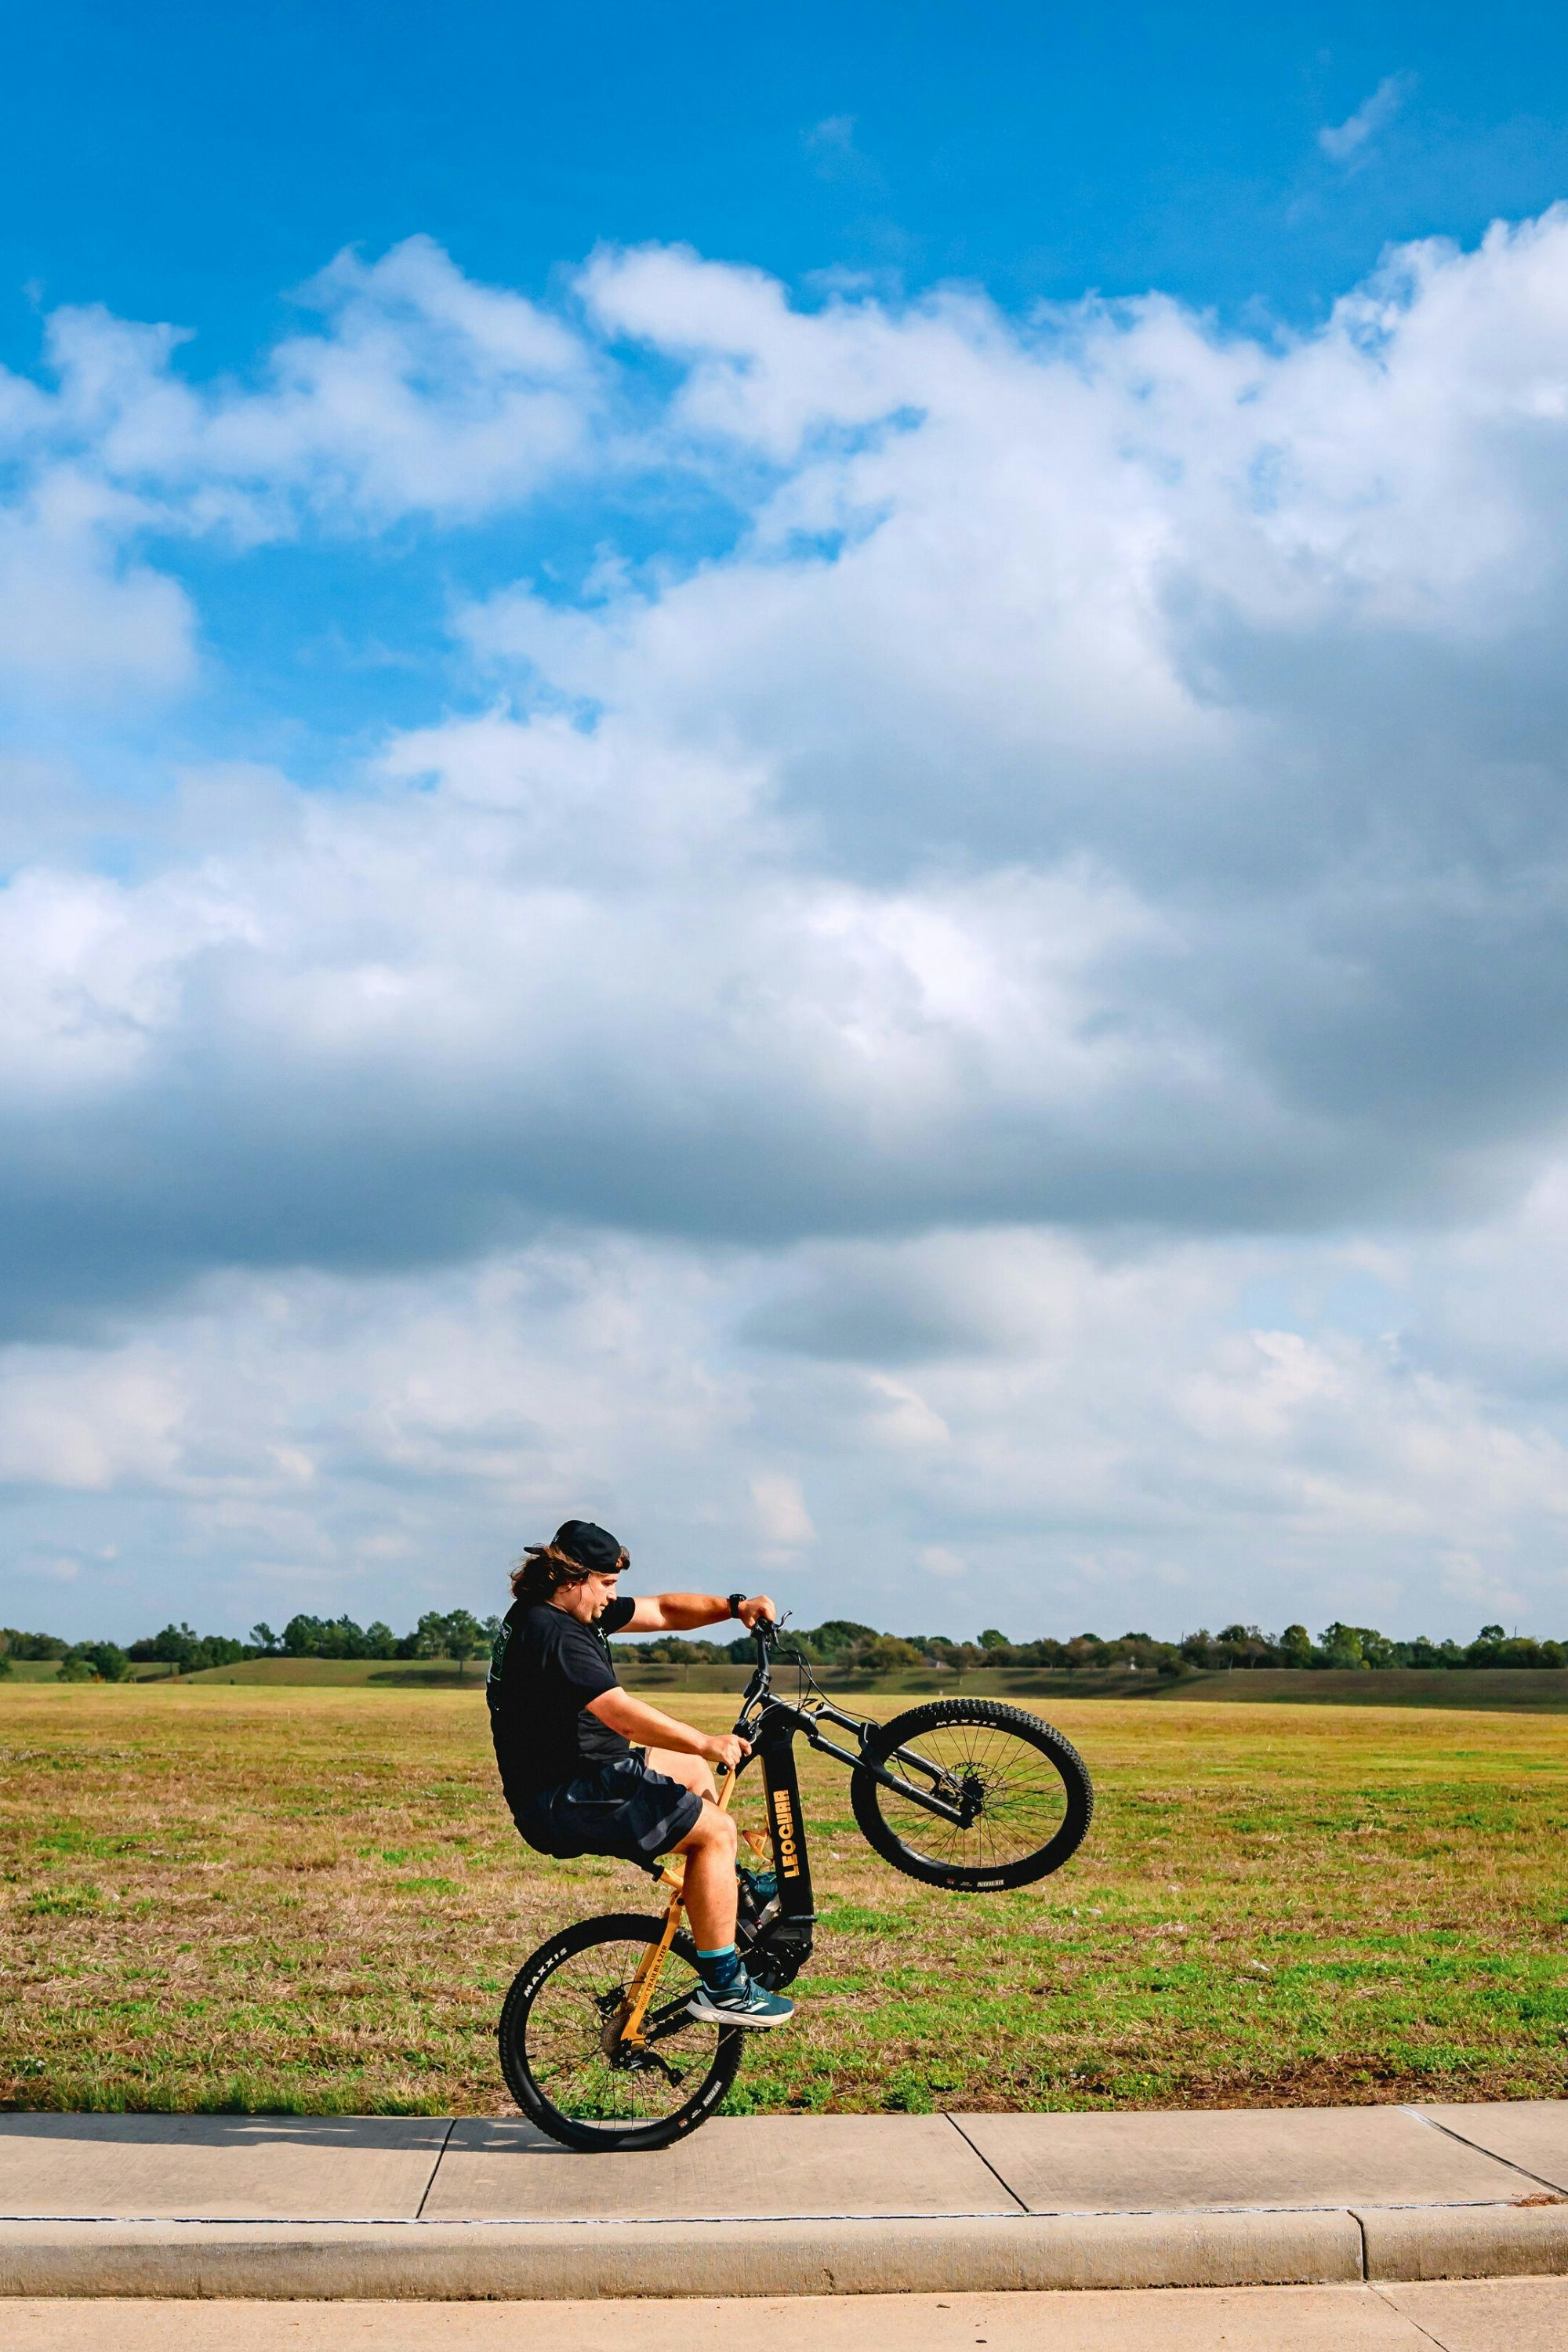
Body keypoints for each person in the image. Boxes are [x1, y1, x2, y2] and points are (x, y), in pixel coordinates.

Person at [487, 1519, 793, 2027]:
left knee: (693, 1774)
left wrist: (735, 1607)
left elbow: (663, 1610)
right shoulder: (554, 1631)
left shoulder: (565, 1611)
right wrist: (705, 1739)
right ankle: (725, 1986)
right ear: (571, 1578)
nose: (613, 1597)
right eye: (606, 1585)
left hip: (580, 1775)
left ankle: (729, 1893)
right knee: (717, 1831)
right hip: (572, 1794)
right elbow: (619, 1714)